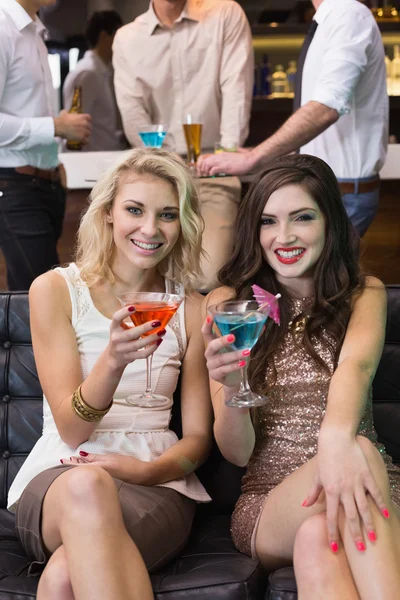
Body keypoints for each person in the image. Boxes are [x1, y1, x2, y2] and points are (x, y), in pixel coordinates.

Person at [7, 148, 212, 600]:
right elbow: (71, 427)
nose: (150, 229)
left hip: (155, 481)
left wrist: (145, 472)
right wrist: (113, 361)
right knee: (87, 484)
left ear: (183, 225)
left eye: (167, 215)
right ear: (106, 215)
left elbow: (197, 441)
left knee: (63, 578)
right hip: (63, 474)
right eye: (134, 210)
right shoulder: (55, 290)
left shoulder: (193, 309)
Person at [202, 154, 400, 598]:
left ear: (330, 222)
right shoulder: (226, 302)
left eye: (302, 218)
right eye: (268, 221)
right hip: (272, 503)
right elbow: (236, 454)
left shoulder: (362, 292)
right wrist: (232, 389)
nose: (283, 237)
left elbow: (356, 367)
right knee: (359, 451)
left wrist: (335, 445)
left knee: (316, 540)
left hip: (366, 480)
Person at [198, 0, 388, 238]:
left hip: (342, 194)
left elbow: (326, 107)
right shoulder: (331, 19)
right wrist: (261, 154)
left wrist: (256, 159)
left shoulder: (348, 14)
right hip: (330, 189)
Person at [113, 0, 254, 292]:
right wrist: (161, 168)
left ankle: (197, 336)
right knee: (138, 275)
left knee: (208, 275)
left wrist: (225, 156)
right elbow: (134, 118)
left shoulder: (225, 14)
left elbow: (236, 92)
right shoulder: (127, 38)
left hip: (212, 170)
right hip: (157, 175)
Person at [0, 0, 92, 291]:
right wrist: (56, 126)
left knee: (41, 295)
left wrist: (53, 159)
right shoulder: (3, 27)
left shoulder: (35, 31)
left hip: (44, 183)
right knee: (41, 296)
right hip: (14, 183)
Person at [63, 10, 128, 152]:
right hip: (90, 163)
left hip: (103, 158)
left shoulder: (100, 72)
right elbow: (73, 129)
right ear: (104, 36)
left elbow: (101, 126)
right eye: (118, 36)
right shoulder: (87, 74)